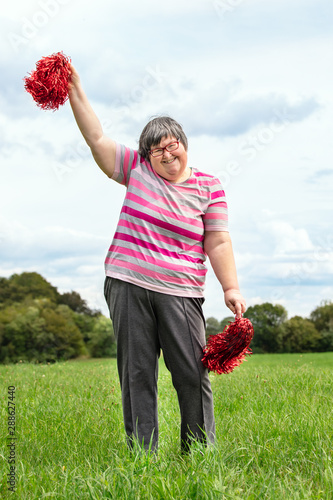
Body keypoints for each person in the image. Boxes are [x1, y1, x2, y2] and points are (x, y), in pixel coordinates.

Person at [68, 65, 246, 453]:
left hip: (181, 291)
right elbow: (96, 136)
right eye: (157, 149)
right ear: (147, 155)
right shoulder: (136, 169)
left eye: (172, 145)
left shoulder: (209, 187)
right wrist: (74, 88)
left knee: (191, 374)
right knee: (136, 374)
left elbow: (217, 240)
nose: (166, 154)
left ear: (184, 144)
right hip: (127, 284)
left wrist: (230, 287)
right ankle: (142, 457)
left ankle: (198, 452)